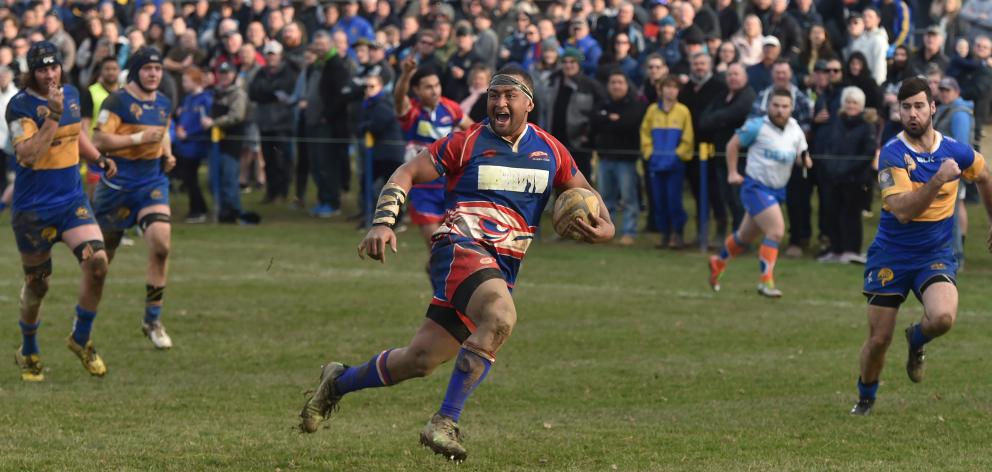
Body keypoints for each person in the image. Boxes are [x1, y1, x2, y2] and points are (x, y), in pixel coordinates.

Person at [299, 67, 615, 462]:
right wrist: (383, 221)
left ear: (528, 104)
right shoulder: (466, 142)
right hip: (460, 246)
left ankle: (337, 381)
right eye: (493, 95)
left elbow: (584, 192)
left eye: (509, 96)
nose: (499, 103)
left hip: (501, 264)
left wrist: (606, 227)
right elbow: (408, 171)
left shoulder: (551, 150)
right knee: (500, 317)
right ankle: (444, 421)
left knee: (420, 360)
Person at [851, 77, 992, 416]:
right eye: (905, 107)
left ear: (932, 108)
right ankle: (866, 396)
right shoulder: (892, 153)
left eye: (918, 106)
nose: (912, 114)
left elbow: (986, 176)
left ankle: (917, 339)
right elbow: (902, 211)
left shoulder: (955, 150)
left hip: (934, 254)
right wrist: (939, 179)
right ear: (898, 111)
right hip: (891, 255)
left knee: (943, 317)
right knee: (879, 339)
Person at [9, 42, 118, 380]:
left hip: (71, 203)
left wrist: (97, 158)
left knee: (98, 263)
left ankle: (80, 337)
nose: (50, 74)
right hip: (34, 211)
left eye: (54, 67)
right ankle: (28, 349)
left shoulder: (69, 93)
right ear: (32, 72)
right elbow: (29, 155)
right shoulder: (19, 107)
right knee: (38, 286)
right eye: (43, 69)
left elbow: (76, 135)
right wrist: (52, 116)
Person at [91, 47, 176, 349]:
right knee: (99, 264)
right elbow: (99, 140)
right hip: (117, 185)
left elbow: (162, 132)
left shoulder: (164, 101)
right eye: (147, 68)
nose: (154, 73)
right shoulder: (118, 101)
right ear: (136, 71)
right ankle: (84, 323)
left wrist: (167, 153)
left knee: (161, 244)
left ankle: (152, 319)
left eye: (158, 68)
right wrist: (139, 138)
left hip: (151, 182)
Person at [709, 88, 811, 297]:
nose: (780, 111)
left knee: (744, 237)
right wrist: (732, 172)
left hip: (778, 190)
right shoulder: (757, 126)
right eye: (776, 106)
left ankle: (718, 262)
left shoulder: (795, 129)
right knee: (776, 231)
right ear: (768, 106)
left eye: (784, 106)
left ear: (791, 108)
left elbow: (801, 153)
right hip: (756, 187)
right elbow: (732, 145)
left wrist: (805, 161)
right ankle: (766, 282)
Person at [394, 55, 472, 251]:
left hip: (450, 187)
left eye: (437, 85)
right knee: (437, 249)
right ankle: (437, 272)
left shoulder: (451, 108)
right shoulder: (412, 111)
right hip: (423, 189)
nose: (435, 90)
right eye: (428, 87)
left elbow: (473, 131)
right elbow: (398, 98)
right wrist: (405, 75)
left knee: (458, 248)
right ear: (416, 90)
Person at [815, 86, 876, 264]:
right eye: (848, 102)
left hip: (855, 178)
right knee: (831, 212)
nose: (851, 105)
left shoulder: (867, 125)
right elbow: (827, 146)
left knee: (851, 214)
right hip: (833, 177)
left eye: (855, 102)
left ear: (861, 105)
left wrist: (846, 168)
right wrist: (830, 167)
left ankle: (851, 250)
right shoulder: (836, 122)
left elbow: (868, 152)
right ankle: (836, 249)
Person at [591, 70, 646, 245]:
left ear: (626, 85)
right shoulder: (603, 103)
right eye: (613, 82)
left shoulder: (634, 104)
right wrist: (610, 119)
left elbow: (628, 123)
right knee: (605, 199)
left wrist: (607, 119)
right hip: (605, 158)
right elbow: (594, 121)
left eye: (620, 82)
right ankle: (606, 232)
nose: (616, 85)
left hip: (626, 160)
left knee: (629, 199)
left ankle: (629, 231)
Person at [640, 77, 694, 249]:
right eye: (667, 87)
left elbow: (688, 138)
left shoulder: (683, 111)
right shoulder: (652, 111)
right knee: (658, 200)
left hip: (675, 165)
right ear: (660, 90)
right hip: (656, 164)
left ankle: (677, 234)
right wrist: (649, 153)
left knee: (674, 200)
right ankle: (665, 234)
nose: (670, 91)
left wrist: (677, 155)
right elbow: (645, 133)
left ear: (678, 90)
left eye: (674, 87)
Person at [202, 61, 256, 224]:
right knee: (213, 179)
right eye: (222, 73)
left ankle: (234, 211)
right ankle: (222, 209)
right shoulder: (215, 92)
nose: (224, 76)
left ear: (234, 75)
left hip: (231, 143)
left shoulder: (238, 94)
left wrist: (214, 122)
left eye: (228, 73)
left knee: (229, 178)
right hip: (215, 142)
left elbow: (237, 116)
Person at [173, 66, 212, 223]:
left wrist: (188, 133)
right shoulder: (188, 99)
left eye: (186, 81)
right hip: (183, 145)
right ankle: (198, 208)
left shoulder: (205, 100)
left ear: (196, 81)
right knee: (188, 179)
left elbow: (204, 124)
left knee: (191, 179)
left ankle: (198, 210)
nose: (183, 84)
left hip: (195, 146)